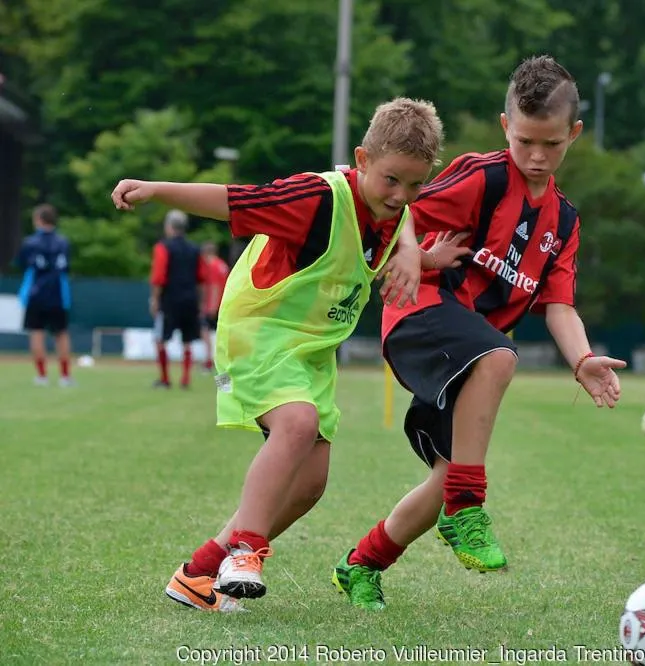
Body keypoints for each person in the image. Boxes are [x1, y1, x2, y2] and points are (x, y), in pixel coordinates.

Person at [111, 97, 467, 612]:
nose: (402, 195)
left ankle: (198, 572)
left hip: (311, 351)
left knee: (308, 485)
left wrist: (424, 256)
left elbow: (388, 237)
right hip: (257, 332)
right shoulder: (317, 198)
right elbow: (235, 199)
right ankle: (245, 550)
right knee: (296, 425)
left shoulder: (395, 214)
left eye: (415, 185)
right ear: (362, 160)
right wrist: (156, 190)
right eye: (391, 180)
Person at [333, 56, 627, 611]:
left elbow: (560, 305)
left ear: (574, 135)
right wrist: (413, 254)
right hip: (420, 312)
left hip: (470, 352)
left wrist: (582, 359)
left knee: (445, 472)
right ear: (505, 127)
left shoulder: (563, 221)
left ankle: (361, 565)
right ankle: (468, 507)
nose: (537, 157)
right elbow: (403, 205)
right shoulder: (482, 176)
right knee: (500, 356)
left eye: (552, 145)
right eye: (525, 141)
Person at [17, 204, 74, 387]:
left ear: (39, 220)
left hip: (36, 295)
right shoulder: (63, 242)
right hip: (58, 295)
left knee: (36, 334)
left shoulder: (30, 243)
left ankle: (42, 376)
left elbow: (23, 265)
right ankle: (65, 377)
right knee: (62, 335)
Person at [149, 210, 205, 388]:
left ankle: (165, 379)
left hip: (169, 300)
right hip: (190, 299)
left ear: (169, 226)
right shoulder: (195, 250)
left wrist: (154, 299)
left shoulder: (162, 247)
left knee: (161, 339)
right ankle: (185, 379)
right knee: (187, 340)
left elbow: (159, 277)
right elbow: (201, 278)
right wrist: (201, 301)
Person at [198, 240, 230, 372]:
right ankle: (220, 369)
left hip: (216, 306)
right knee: (220, 339)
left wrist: (211, 307)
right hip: (226, 305)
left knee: (208, 334)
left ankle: (209, 362)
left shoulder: (213, 266)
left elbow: (215, 287)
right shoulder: (222, 265)